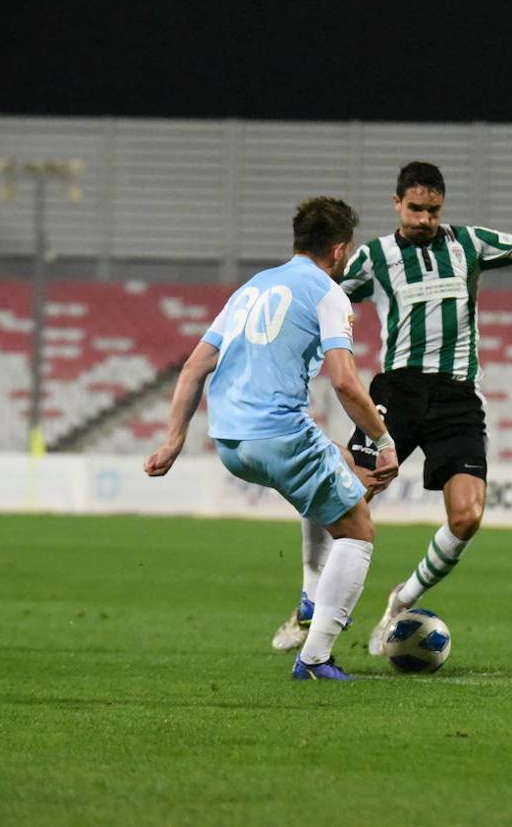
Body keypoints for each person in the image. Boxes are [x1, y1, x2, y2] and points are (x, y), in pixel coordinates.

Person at [270, 161, 512, 655]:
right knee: (342, 498)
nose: (425, 219)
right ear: (397, 204)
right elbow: (317, 293)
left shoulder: (469, 244)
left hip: (458, 397)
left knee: (468, 516)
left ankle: (400, 601)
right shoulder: (374, 257)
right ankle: (311, 601)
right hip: (398, 394)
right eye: (415, 208)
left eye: (433, 210)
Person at [144, 196, 399, 681]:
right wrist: (383, 439)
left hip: (230, 442)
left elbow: (196, 364)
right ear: (341, 250)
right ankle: (316, 657)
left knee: (342, 470)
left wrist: (173, 440)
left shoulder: (251, 287)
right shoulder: (328, 293)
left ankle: (311, 593)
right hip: (277, 433)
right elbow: (345, 382)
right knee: (359, 529)